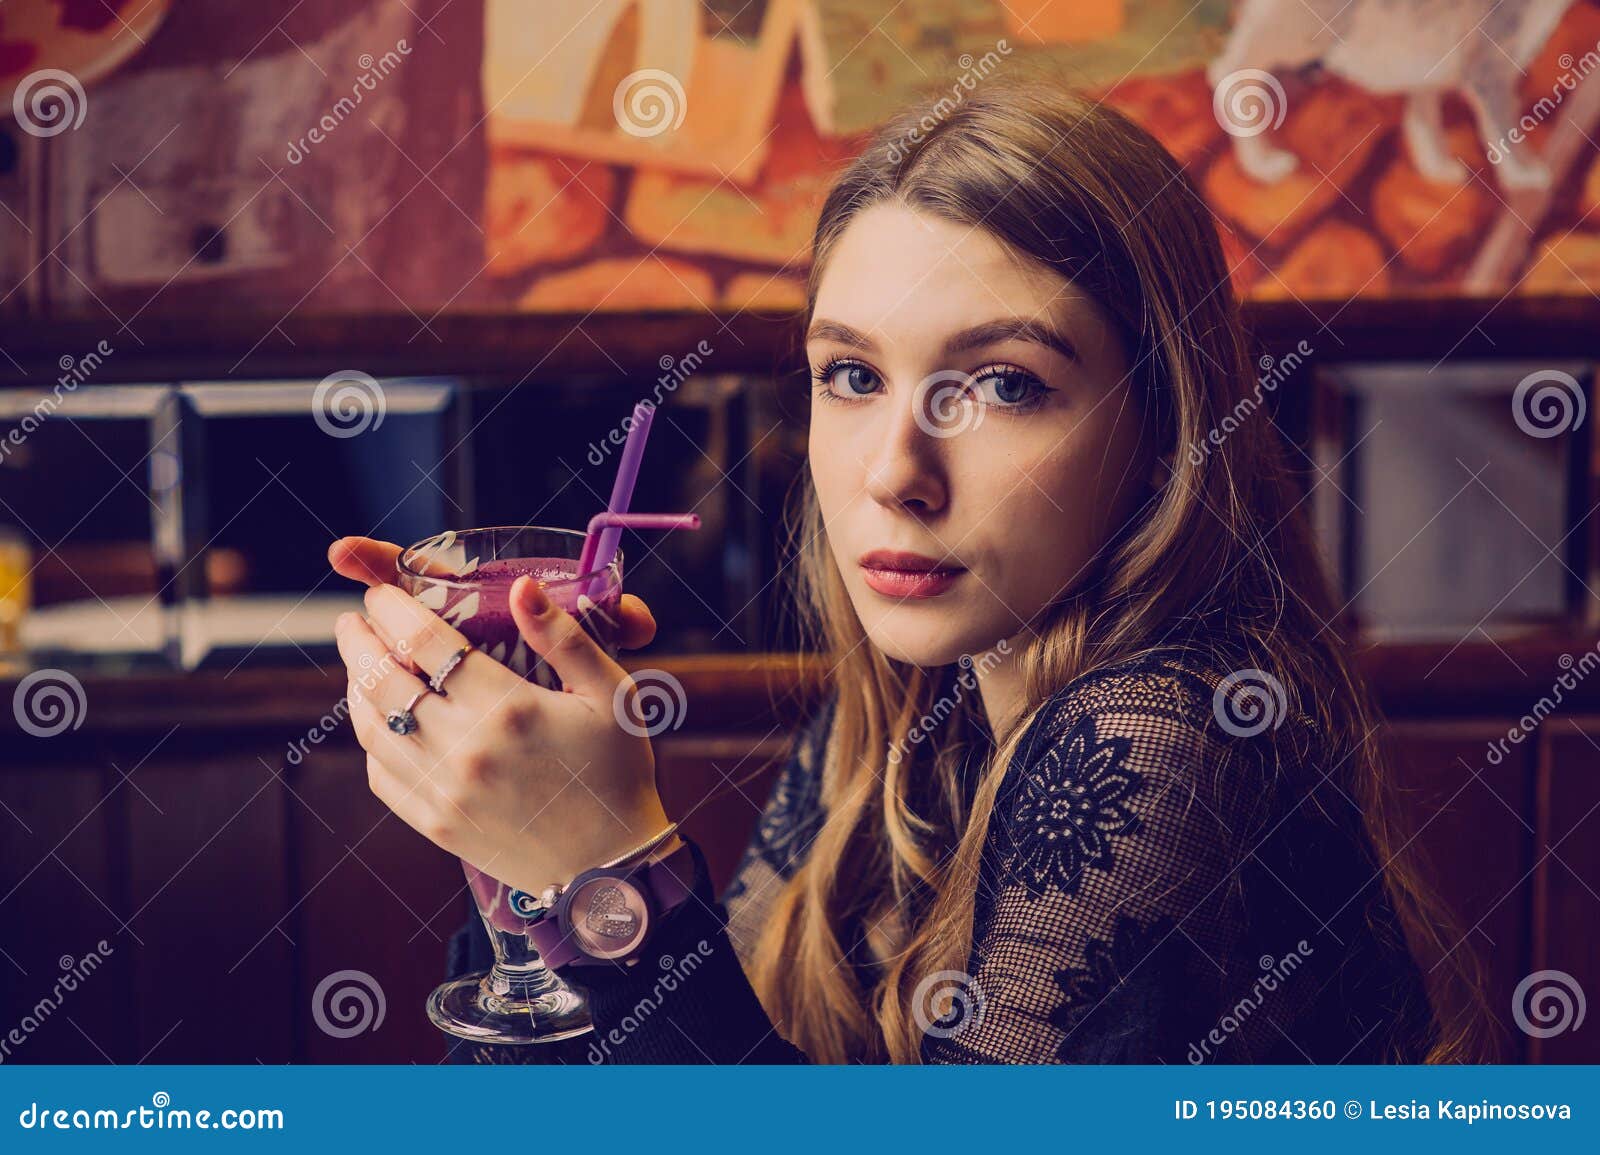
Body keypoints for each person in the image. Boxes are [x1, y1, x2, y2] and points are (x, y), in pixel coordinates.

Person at [329, 77, 1489, 1064]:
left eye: (1002, 385)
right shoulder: (899, 713)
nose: (895, 473)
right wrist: (520, 855)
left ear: (1161, 423)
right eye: (852, 376)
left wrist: (607, 873)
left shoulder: (1162, 732)